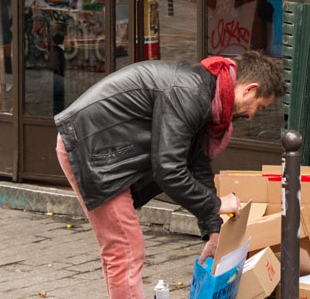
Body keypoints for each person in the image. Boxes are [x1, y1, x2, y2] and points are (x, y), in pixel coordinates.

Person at [54, 49, 283, 299]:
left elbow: (197, 163)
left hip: (106, 149)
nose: (251, 116)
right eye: (258, 107)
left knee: (124, 246)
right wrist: (216, 203)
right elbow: (169, 171)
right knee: (124, 247)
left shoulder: (210, 93)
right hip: (90, 147)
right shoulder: (190, 92)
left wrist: (214, 230)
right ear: (249, 89)